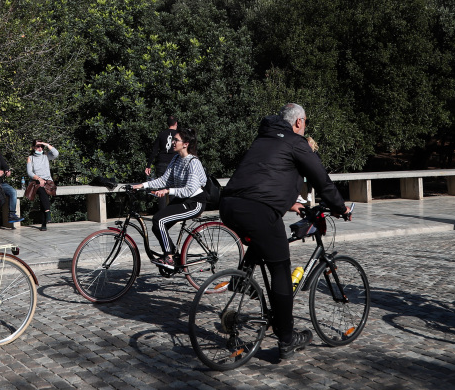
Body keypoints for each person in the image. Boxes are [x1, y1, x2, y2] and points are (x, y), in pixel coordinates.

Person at [220, 103, 349, 363]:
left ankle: (244, 284)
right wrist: (340, 207)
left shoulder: (264, 138)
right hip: (258, 211)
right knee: (280, 267)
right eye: (306, 123)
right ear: (299, 122)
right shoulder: (295, 142)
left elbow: (265, 176)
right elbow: (321, 180)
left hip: (229, 205)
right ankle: (286, 339)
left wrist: (290, 202)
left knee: (263, 246)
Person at [130, 127, 207, 267]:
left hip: (194, 203)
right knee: (157, 225)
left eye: (176, 140)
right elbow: (164, 180)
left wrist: (167, 191)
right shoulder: (176, 159)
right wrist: (142, 185)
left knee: (159, 220)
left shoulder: (193, 162)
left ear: (185, 144)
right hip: (182, 200)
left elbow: (189, 190)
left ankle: (169, 257)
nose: (172, 142)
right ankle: (171, 254)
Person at [144, 116, 179, 211]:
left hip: (161, 163)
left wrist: (148, 165)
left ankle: (161, 213)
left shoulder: (162, 134)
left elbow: (154, 150)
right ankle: (173, 213)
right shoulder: (178, 135)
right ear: (176, 123)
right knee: (173, 189)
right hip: (173, 163)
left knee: (161, 189)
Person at [25, 140, 59, 231]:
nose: (40, 148)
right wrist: (39, 179)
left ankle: (44, 222)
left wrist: (46, 144)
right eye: (38, 146)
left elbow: (56, 153)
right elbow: (29, 172)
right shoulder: (30, 158)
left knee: (43, 197)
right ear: (33, 147)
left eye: (41, 146)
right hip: (36, 182)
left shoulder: (46, 156)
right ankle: (47, 214)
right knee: (42, 191)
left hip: (48, 182)